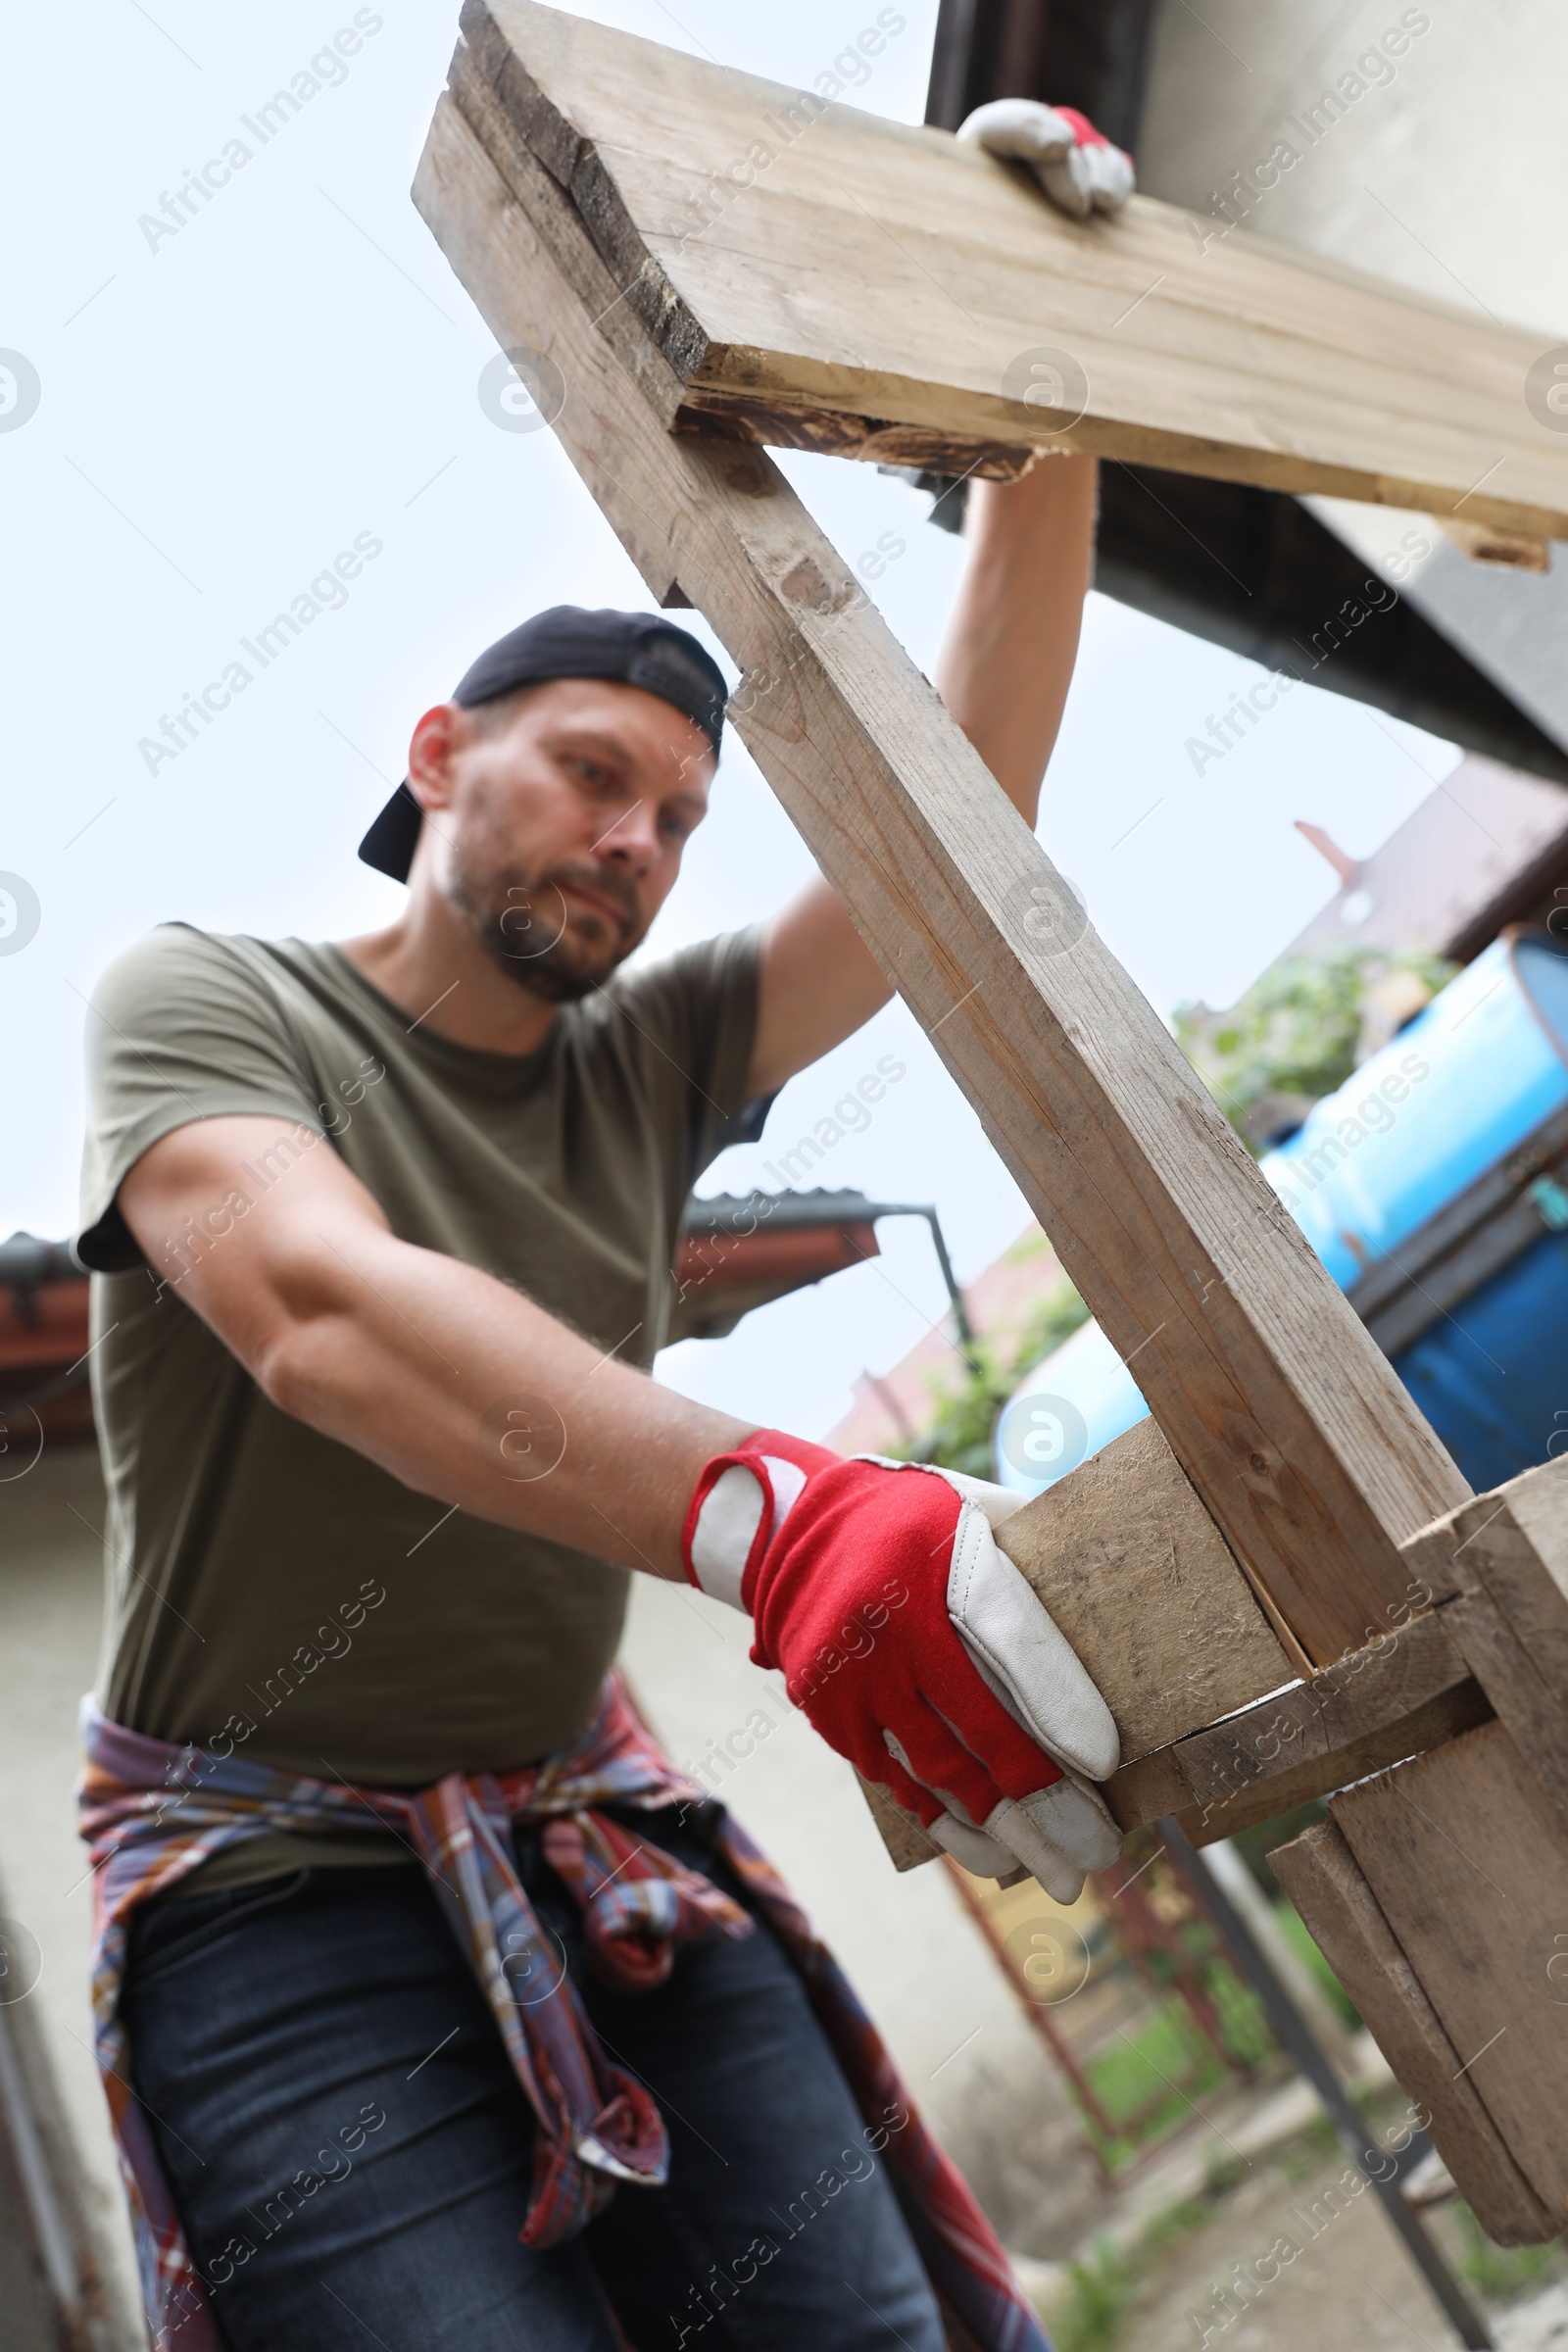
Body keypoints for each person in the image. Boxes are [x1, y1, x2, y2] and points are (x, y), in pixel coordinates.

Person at [76, 105, 1137, 2352]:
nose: (637, 839)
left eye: (675, 817)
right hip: (274, 1916)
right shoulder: (206, 1003)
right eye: (588, 769)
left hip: (605, 1840)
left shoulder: (647, 1068)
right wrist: (768, 1513)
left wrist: (1036, 399)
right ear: (441, 749)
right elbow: (323, 1312)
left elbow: (963, 824)